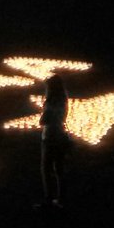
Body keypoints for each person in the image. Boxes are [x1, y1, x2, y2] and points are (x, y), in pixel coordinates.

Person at [38, 74, 71, 208]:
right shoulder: (64, 100)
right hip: (60, 136)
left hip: (50, 137)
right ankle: (61, 198)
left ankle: (49, 199)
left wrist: (43, 117)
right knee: (59, 169)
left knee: (46, 169)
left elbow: (44, 120)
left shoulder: (52, 102)